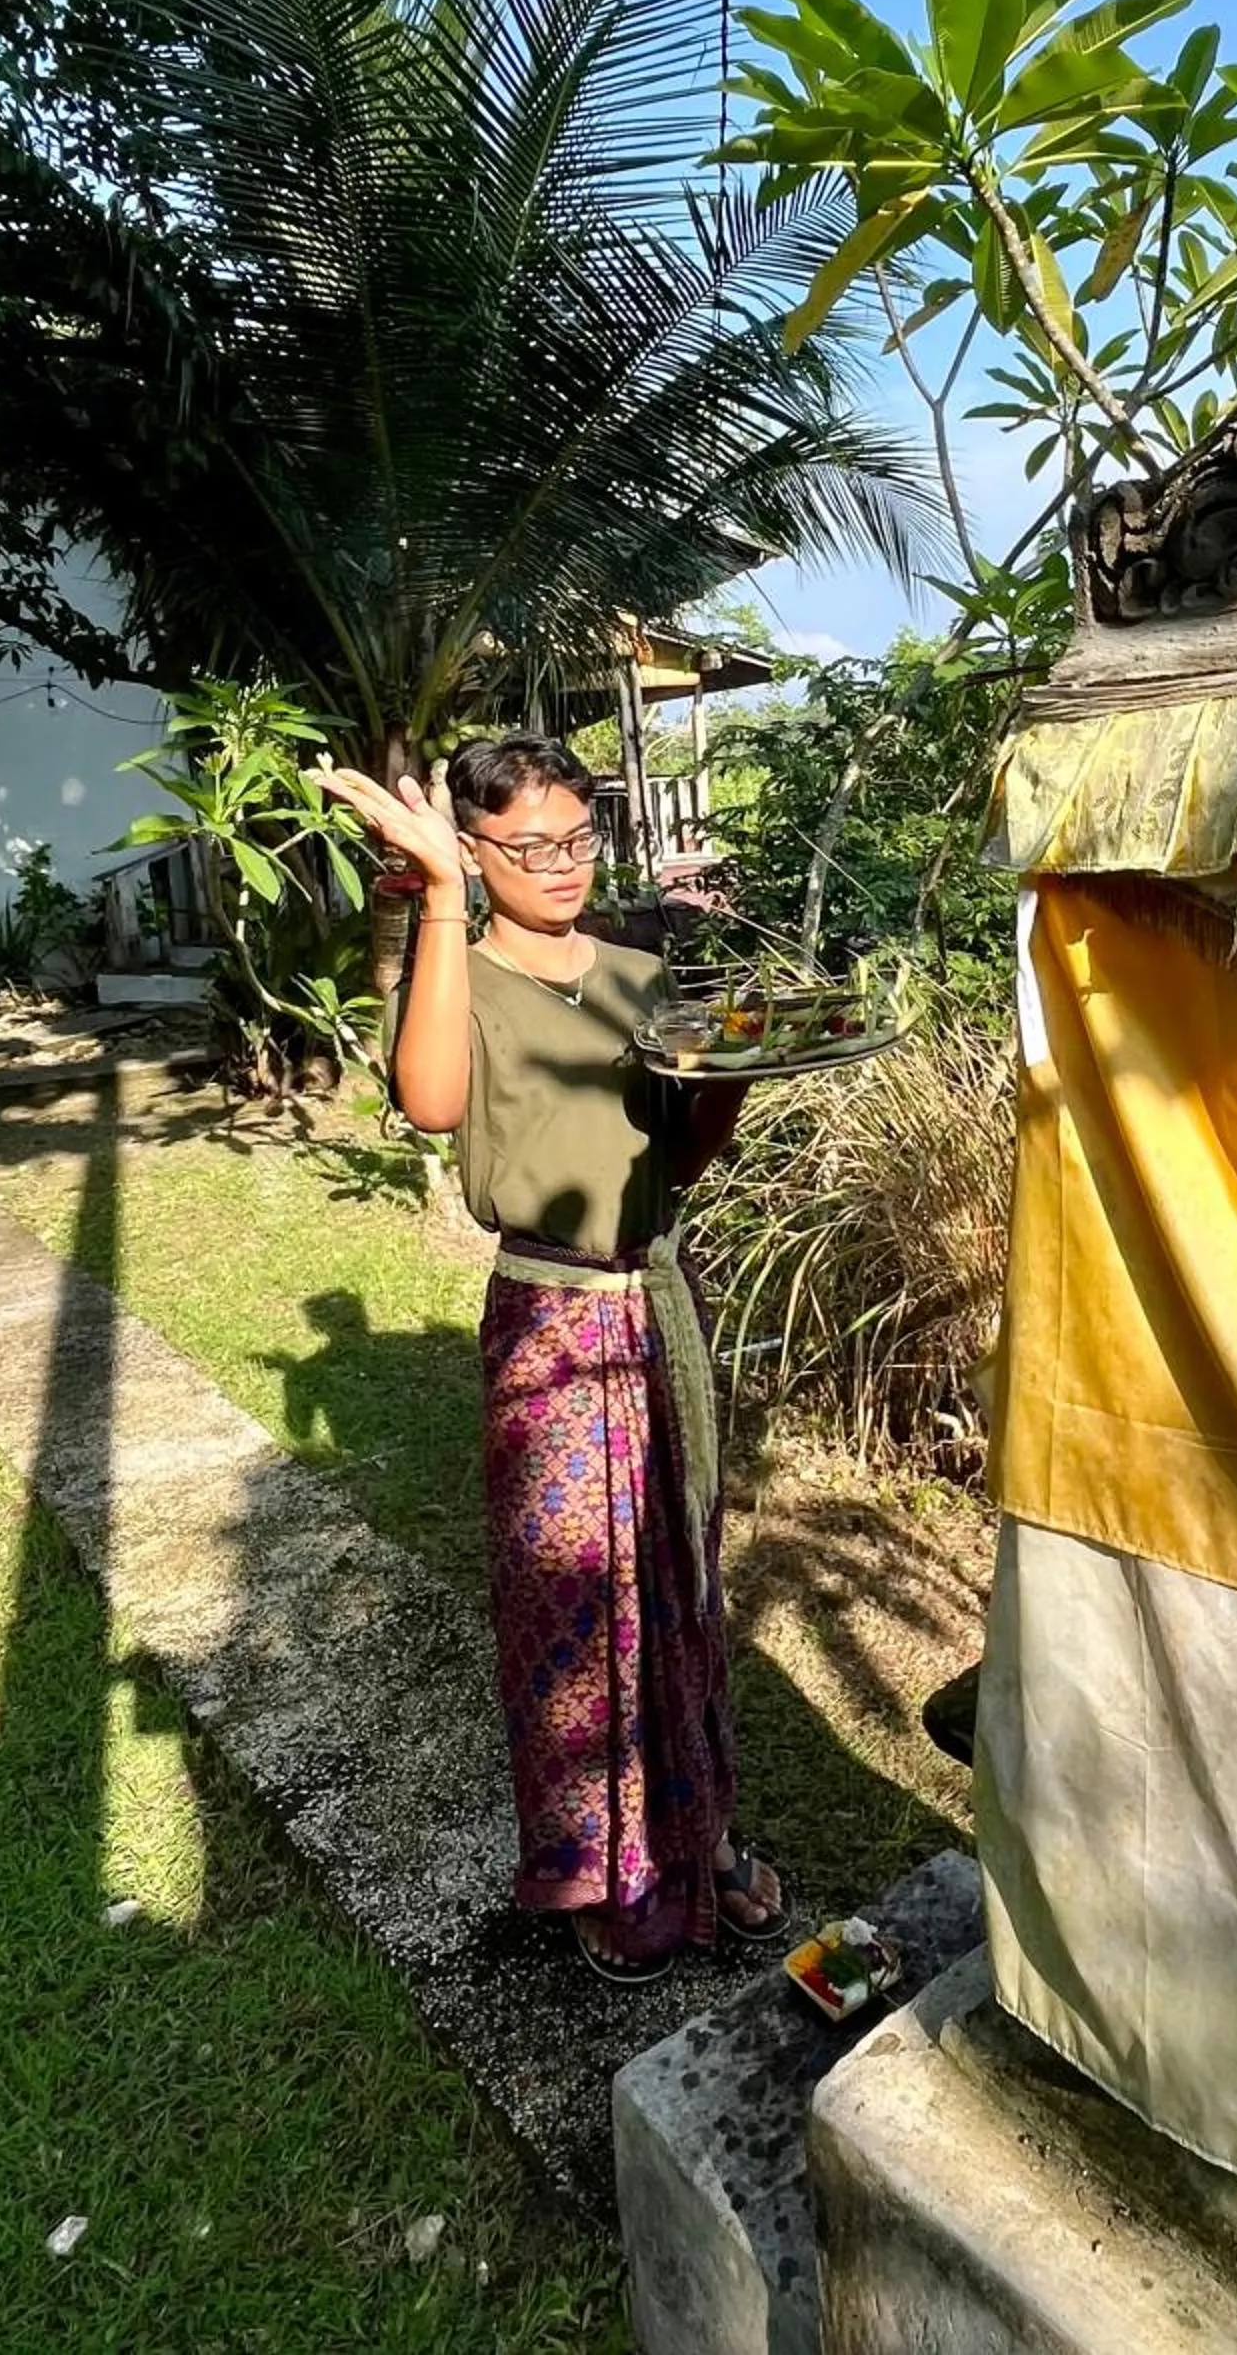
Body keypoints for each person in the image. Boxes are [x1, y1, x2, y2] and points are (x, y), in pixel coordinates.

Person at [318, 732, 784, 1982]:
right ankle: (602, 1873)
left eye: (578, 838)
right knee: (574, 1601)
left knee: (680, 1583)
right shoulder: (457, 975)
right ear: (472, 849)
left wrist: (733, 1080)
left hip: (657, 1297)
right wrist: (437, 900)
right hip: (551, 1313)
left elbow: (676, 1161)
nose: (562, 866)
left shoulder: (640, 974)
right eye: (527, 847)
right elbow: (427, 1100)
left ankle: (703, 1838)